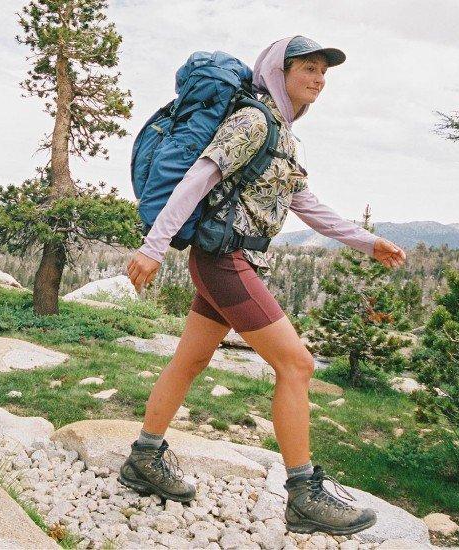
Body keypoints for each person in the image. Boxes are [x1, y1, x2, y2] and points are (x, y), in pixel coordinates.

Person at [119, 36, 407, 536]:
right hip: (225, 263)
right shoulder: (254, 121)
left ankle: (143, 457)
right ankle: (303, 495)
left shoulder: (283, 134)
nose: (318, 79)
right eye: (308, 69)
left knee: (190, 359)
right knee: (296, 363)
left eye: (324, 72)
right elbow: (199, 178)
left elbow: (305, 203)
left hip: (228, 261)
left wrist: (367, 243)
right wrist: (153, 245)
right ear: (280, 70)